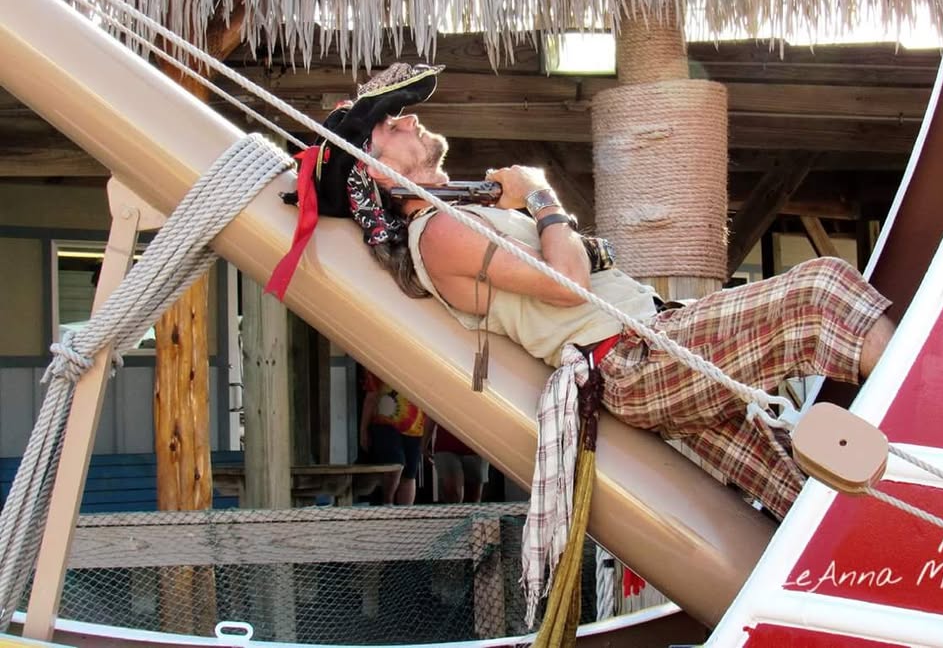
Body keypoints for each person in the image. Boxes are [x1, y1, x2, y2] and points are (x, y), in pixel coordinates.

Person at [286, 62, 896, 520]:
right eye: (391, 123)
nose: (410, 118)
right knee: (820, 287)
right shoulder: (439, 232)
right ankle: (931, 405)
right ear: (373, 168)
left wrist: (527, 207)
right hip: (633, 359)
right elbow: (570, 285)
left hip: (646, 348)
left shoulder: (458, 217)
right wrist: (541, 195)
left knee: (807, 497)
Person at [359, 368, 429, 505]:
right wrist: (363, 430)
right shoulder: (380, 364)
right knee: (396, 464)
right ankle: (388, 504)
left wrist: (428, 435)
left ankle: (405, 513)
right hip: (385, 423)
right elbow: (371, 397)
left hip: (416, 426)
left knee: (409, 474)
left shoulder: (424, 366)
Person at [431, 424, 489, 503]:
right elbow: (432, 418)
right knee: (453, 495)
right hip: (446, 444)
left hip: (476, 445)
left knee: (473, 499)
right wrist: (424, 443)